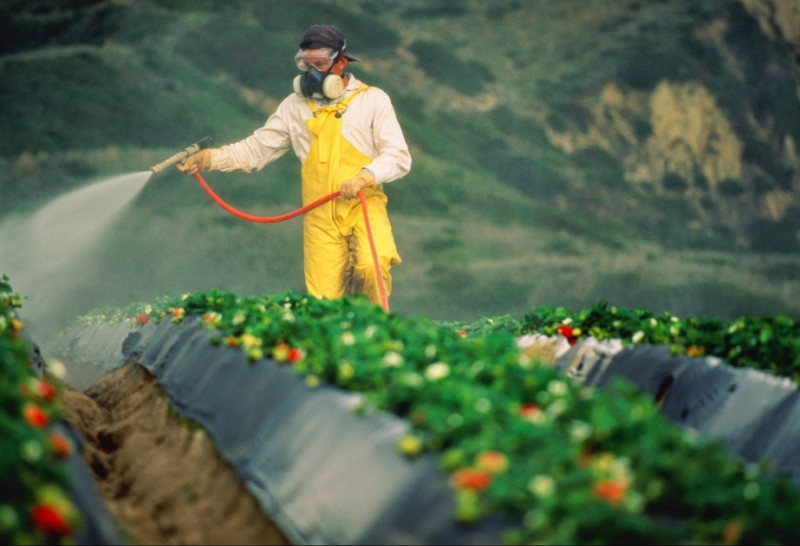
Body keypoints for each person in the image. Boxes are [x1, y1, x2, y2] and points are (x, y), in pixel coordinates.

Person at [178, 24, 411, 309]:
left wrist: (366, 176)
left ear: (341, 62)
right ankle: (334, 346)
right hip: (319, 214)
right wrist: (209, 158)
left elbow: (399, 156)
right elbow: (257, 149)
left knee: (370, 267)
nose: (311, 72)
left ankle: (374, 338)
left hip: (363, 204)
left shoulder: (373, 100)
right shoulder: (294, 106)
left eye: (320, 64)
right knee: (323, 301)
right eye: (305, 64)